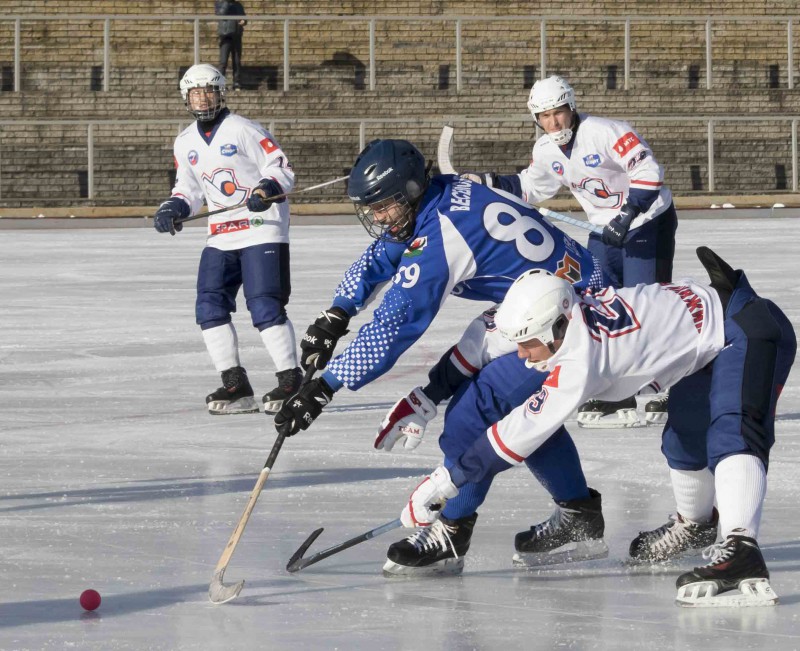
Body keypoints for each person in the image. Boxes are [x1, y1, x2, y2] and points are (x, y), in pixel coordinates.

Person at [272, 138, 613, 572]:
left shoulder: (441, 238)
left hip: (568, 318)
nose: (377, 217)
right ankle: (579, 516)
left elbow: (392, 327)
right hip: (567, 300)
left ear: (411, 191)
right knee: (518, 408)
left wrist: (324, 387)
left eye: (383, 206)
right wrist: (337, 312)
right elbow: (382, 255)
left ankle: (450, 532)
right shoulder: (442, 193)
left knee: (474, 415)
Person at [398, 249, 795, 606]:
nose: (522, 354)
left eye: (528, 343)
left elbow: (516, 434)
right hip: (707, 336)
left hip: (748, 328)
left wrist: (445, 481)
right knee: (682, 442)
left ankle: (742, 549)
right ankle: (695, 526)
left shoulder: (581, 359)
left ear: (557, 329)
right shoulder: (569, 308)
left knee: (732, 432)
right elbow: (496, 340)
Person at [464, 75, 678, 428]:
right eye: (544, 117)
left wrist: (627, 213)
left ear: (571, 107)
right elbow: (531, 188)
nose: (553, 123)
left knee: (646, 300)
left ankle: (671, 382)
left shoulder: (606, 131)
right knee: (601, 299)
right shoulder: (546, 150)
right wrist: (487, 183)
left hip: (648, 220)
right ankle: (616, 388)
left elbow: (649, 172)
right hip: (604, 229)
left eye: (558, 113)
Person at [153, 63, 302, 415]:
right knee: (209, 306)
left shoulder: (244, 129)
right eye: (195, 92)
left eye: (209, 91)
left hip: (261, 225)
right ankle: (236, 384)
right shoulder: (185, 141)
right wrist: (172, 207)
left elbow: (281, 167)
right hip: (221, 234)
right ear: (185, 97)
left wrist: (266, 187)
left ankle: (290, 380)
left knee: (265, 305)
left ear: (221, 93)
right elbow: (187, 190)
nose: (203, 98)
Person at [215, 0, 246, 91]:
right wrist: (226, 2)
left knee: (236, 61)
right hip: (226, 35)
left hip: (237, 34)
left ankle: (237, 83)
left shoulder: (238, 4)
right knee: (223, 62)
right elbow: (221, 14)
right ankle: (220, 83)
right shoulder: (220, 3)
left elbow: (244, 16)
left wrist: (244, 21)